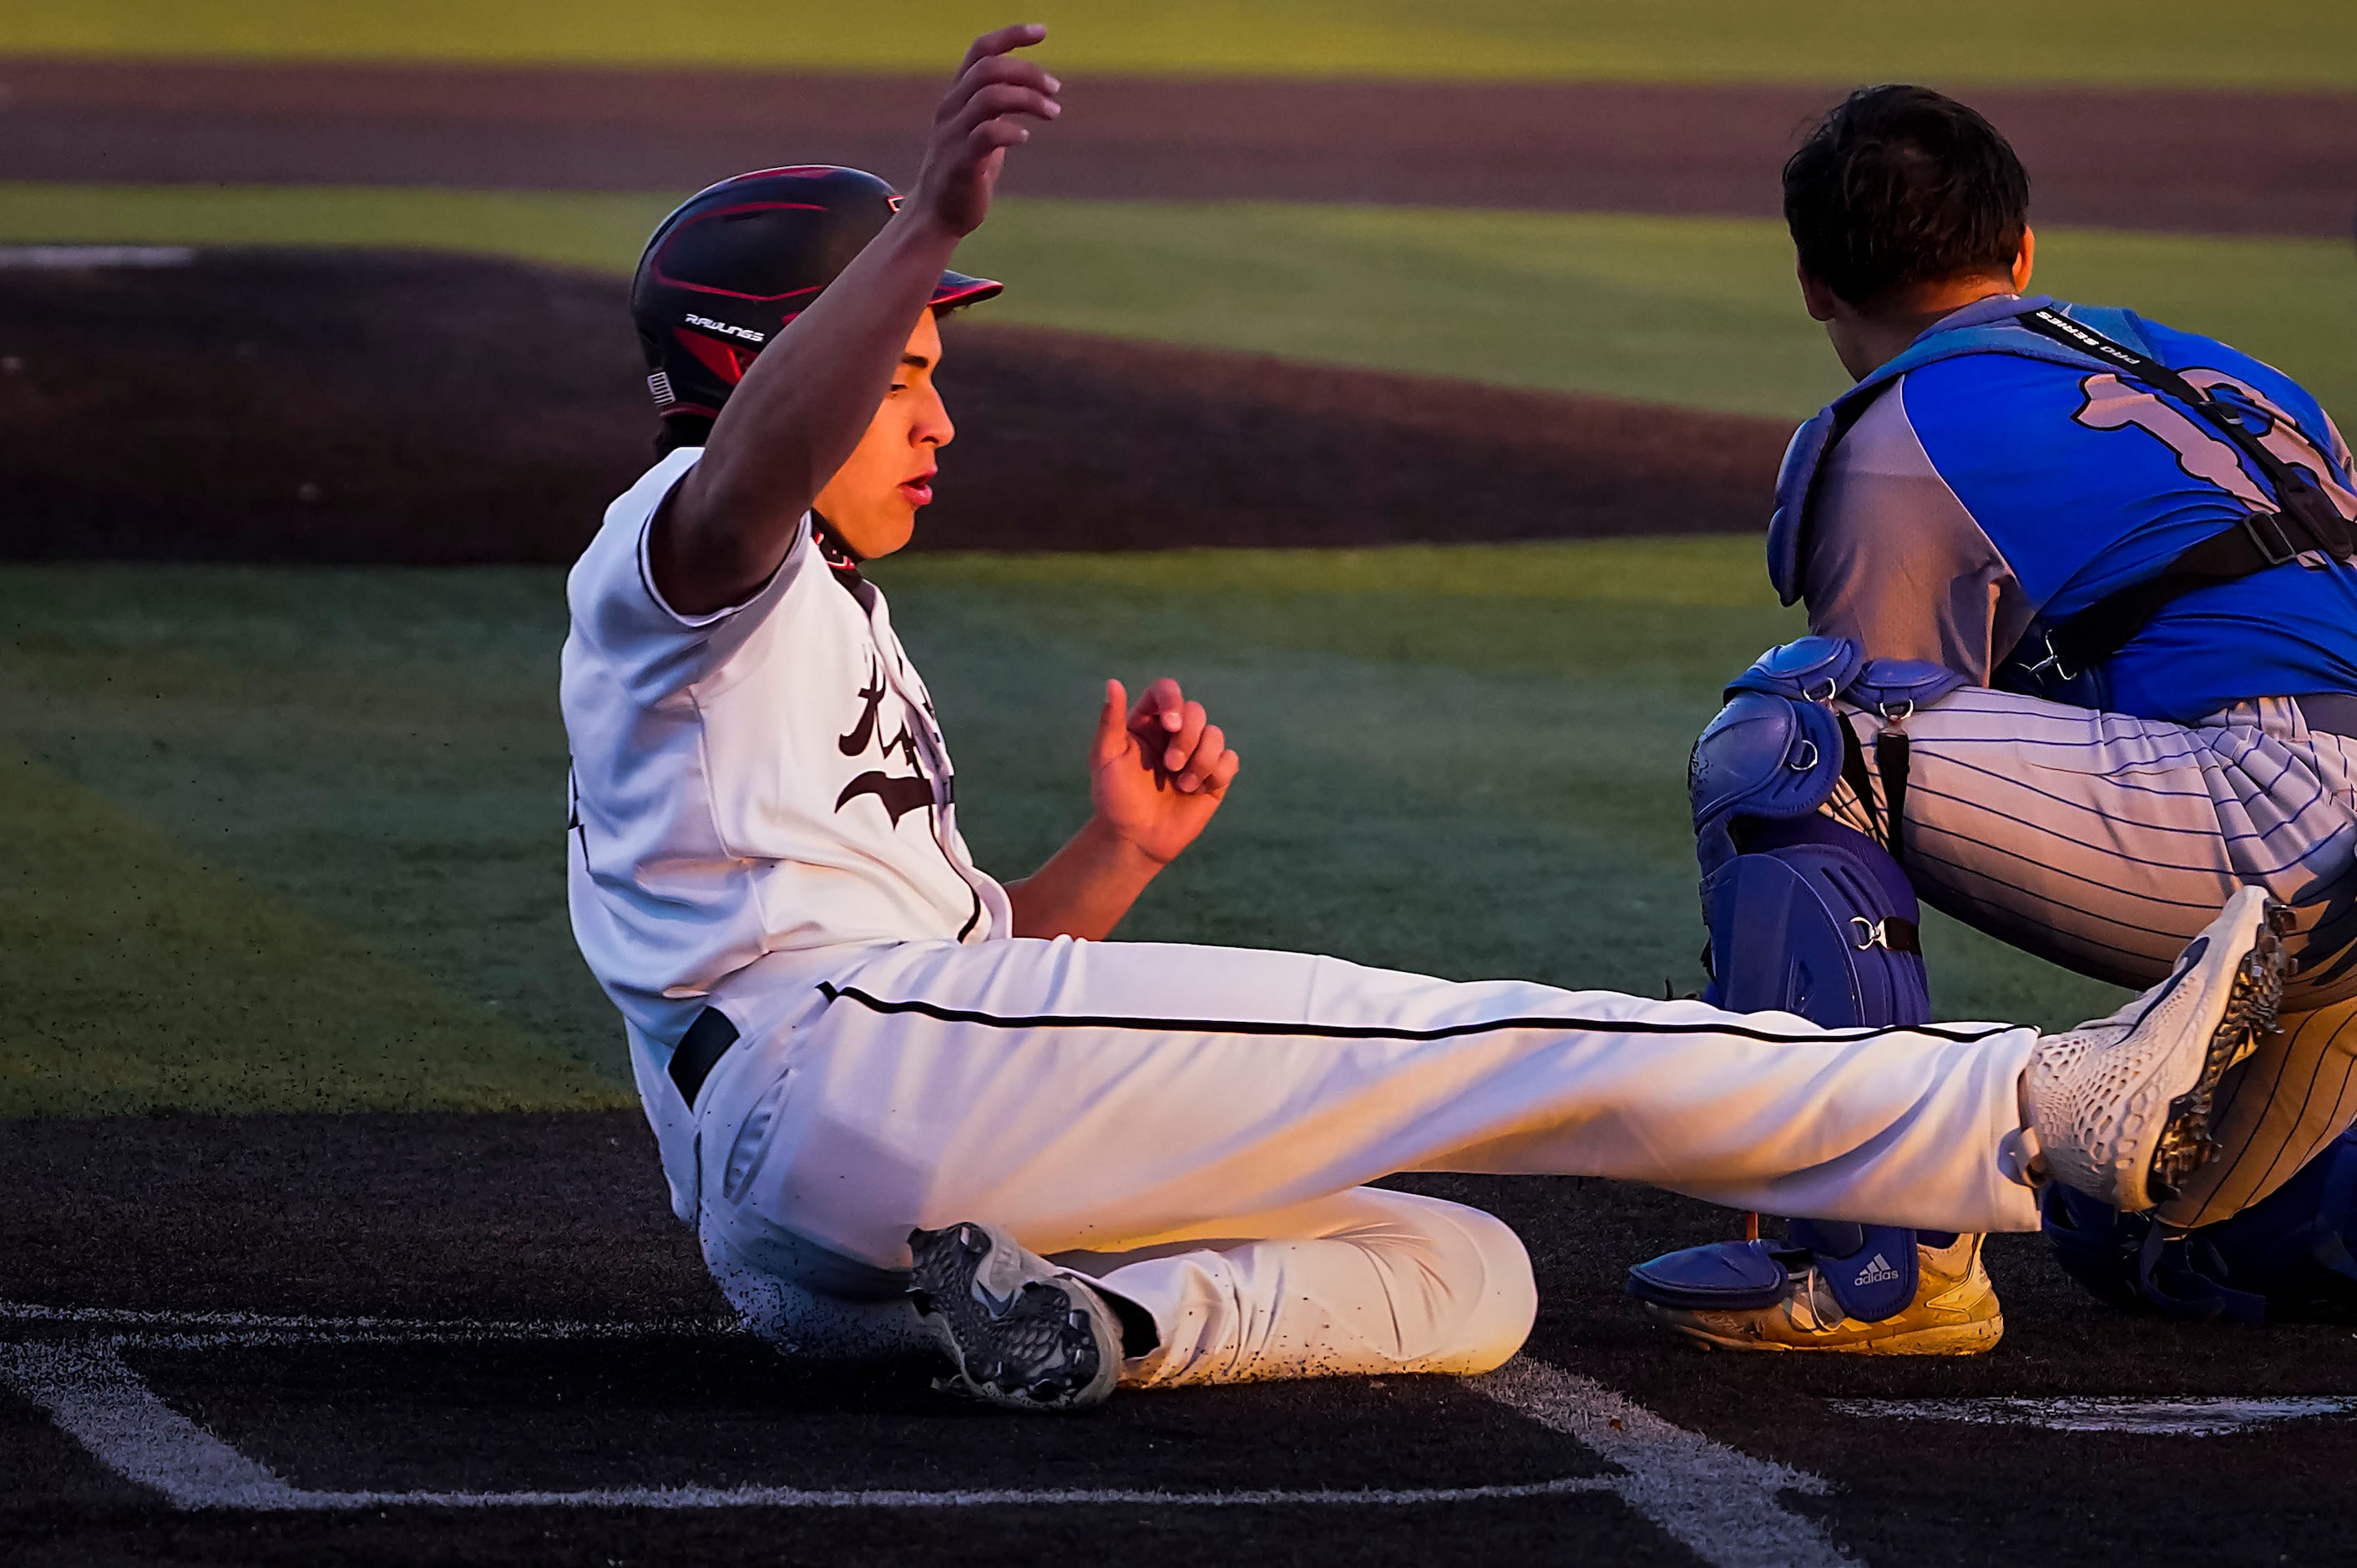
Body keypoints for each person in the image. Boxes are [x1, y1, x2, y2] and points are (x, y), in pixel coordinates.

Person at [561, 28, 2293, 1412]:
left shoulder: (794, 627)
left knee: (1462, 1275)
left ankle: (1093, 1328)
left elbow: (963, 992)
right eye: (909, 374)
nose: (938, 417)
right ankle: (2040, 1104)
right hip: (835, 1078)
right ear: (765, 365)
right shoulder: (680, 551)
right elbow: (751, 483)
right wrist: (924, 227)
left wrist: (1116, 852)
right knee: (1487, 1045)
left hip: (822, 1214)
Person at [1627, 86, 2357, 1354]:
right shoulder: (2230, 374)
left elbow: (1866, 772)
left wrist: (1760, 1067)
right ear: (2022, 253)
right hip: (2323, 867)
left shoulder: (1895, 434)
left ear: (1811, 283)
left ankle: (1871, 1247)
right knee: (2143, 1224)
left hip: (2282, 819)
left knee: (1800, 733)